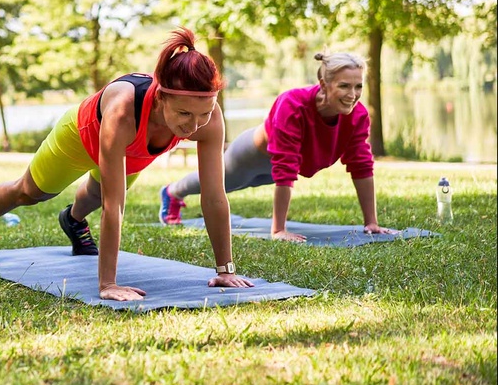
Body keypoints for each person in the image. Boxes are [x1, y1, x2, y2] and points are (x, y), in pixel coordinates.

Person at [0, 28, 254, 301]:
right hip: (80, 136)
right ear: (161, 97)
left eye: (203, 113)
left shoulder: (209, 117)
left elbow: (214, 196)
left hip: (132, 150)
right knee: (30, 192)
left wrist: (225, 269)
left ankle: (73, 220)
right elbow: (115, 206)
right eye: (184, 114)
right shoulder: (123, 111)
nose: (194, 125)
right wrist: (108, 284)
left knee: (95, 195)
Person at [159, 52, 397, 242]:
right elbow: (285, 165)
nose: (352, 95)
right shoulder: (293, 104)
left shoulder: (358, 116)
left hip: (278, 169)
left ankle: (175, 192)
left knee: (241, 184)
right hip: (251, 155)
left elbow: (361, 166)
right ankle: (172, 192)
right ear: (324, 84)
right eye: (344, 86)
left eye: (358, 87)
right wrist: (278, 230)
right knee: (223, 183)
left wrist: (371, 222)